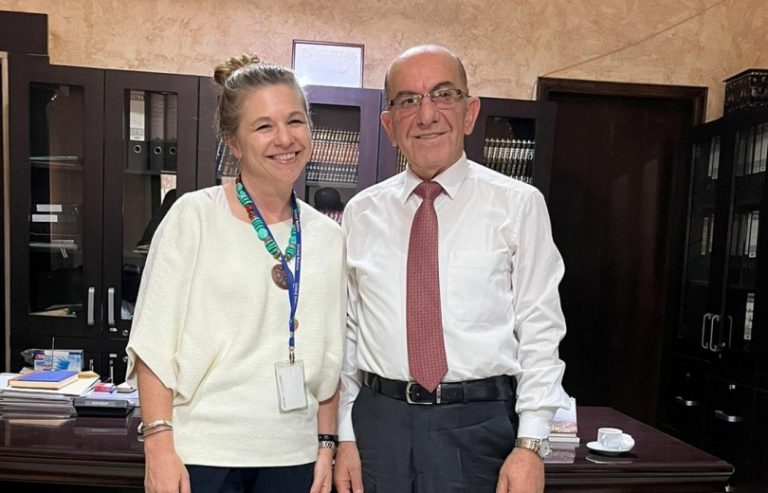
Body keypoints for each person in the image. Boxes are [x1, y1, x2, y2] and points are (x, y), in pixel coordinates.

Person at [334, 45, 570, 493]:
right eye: (408, 100)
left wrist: (531, 443)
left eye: (443, 95)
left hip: (480, 427)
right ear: (389, 125)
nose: (426, 115)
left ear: (469, 112)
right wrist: (344, 435)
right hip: (379, 425)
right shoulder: (361, 213)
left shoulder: (518, 205)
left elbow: (540, 328)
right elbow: (347, 333)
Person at [125, 54, 346, 493]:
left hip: (294, 455)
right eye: (264, 126)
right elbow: (153, 345)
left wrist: (326, 444)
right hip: (204, 455)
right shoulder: (193, 217)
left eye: (295, 121)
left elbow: (331, 356)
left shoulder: (328, 236)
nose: (285, 139)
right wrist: (158, 446)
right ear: (234, 142)